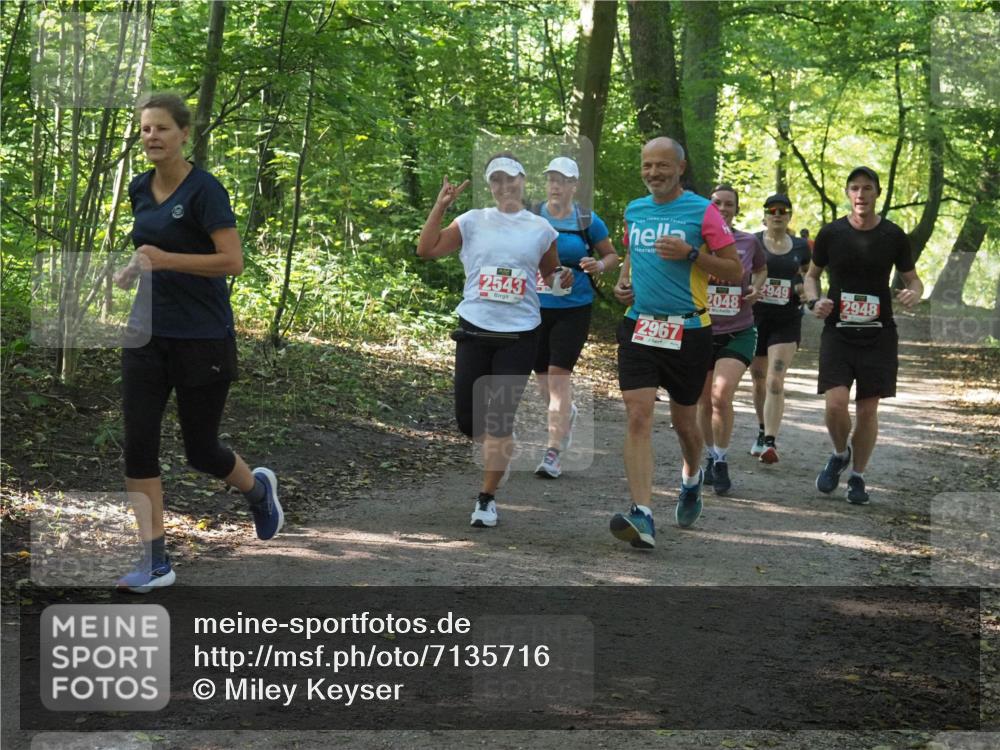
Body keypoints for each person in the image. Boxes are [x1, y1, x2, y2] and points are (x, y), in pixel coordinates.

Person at [113, 93, 282, 593]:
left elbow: (232, 261)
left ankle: (257, 489)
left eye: (162, 128)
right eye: (145, 129)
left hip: (202, 337)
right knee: (138, 445)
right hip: (145, 334)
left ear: (184, 134)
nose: (152, 137)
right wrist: (132, 269)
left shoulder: (206, 190)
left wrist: (166, 260)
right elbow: (148, 250)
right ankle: (155, 561)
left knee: (201, 449)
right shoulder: (140, 188)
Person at [416, 153, 570, 528]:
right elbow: (427, 250)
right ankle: (501, 440)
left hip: (519, 333)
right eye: (496, 180)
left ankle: (486, 499)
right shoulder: (471, 221)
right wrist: (440, 206)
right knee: (469, 422)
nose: (504, 186)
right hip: (474, 328)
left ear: (523, 180)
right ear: (490, 186)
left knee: (499, 420)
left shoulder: (540, 229)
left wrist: (562, 279)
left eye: (511, 178)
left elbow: (551, 275)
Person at [610, 137, 742, 549]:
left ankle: (691, 477)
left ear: (680, 168)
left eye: (662, 166)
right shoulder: (635, 210)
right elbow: (632, 256)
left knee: (686, 424)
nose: (654, 173)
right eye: (647, 165)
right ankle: (643, 514)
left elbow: (735, 270)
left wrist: (690, 255)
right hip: (640, 327)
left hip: (688, 331)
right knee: (638, 416)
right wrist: (624, 283)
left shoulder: (702, 210)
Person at [804, 166, 922, 505]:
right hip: (838, 332)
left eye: (867, 188)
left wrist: (913, 292)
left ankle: (857, 476)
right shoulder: (831, 233)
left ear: (877, 193)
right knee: (835, 404)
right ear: (847, 193)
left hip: (879, 334)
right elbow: (813, 276)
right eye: (854, 188)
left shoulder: (893, 235)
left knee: (868, 411)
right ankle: (840, 453)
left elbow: (913, 279)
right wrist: (815, 301)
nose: (860, 195)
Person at [532, 157, 619, 479]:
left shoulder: (587, 219)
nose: (555, 185)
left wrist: (599, 266)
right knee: (542, 376)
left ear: (574, 185)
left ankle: (553, 450)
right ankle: (566, 414)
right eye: (551, 178)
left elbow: (610, 255)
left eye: (562, 180)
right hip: (535, 307)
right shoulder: (531, 215)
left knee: (558, 375)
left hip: (574, 307)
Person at [697, 185, 767, 495]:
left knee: (721, 396)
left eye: (729, 204)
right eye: (717, 203)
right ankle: (710, 456)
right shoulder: (694, 241)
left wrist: (756, 288)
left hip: (738, 330)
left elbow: (762, 270)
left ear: (737, 210)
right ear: (708, 207)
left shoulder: (748, 241)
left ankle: (722, 459)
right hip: (698, 330)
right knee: (702, 400)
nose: (723, 208)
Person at [748, 194, 812, 464]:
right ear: (764, 215)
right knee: (759, 377)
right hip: (755, 317)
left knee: (775, 378)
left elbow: (808, 274)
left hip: (786, 319)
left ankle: (771, 442)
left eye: (783, 210)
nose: (777, 214)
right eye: (772, 210)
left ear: (789, 216)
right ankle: (762, 431)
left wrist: (804, 289)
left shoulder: (800, 246)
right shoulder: (752, 242)